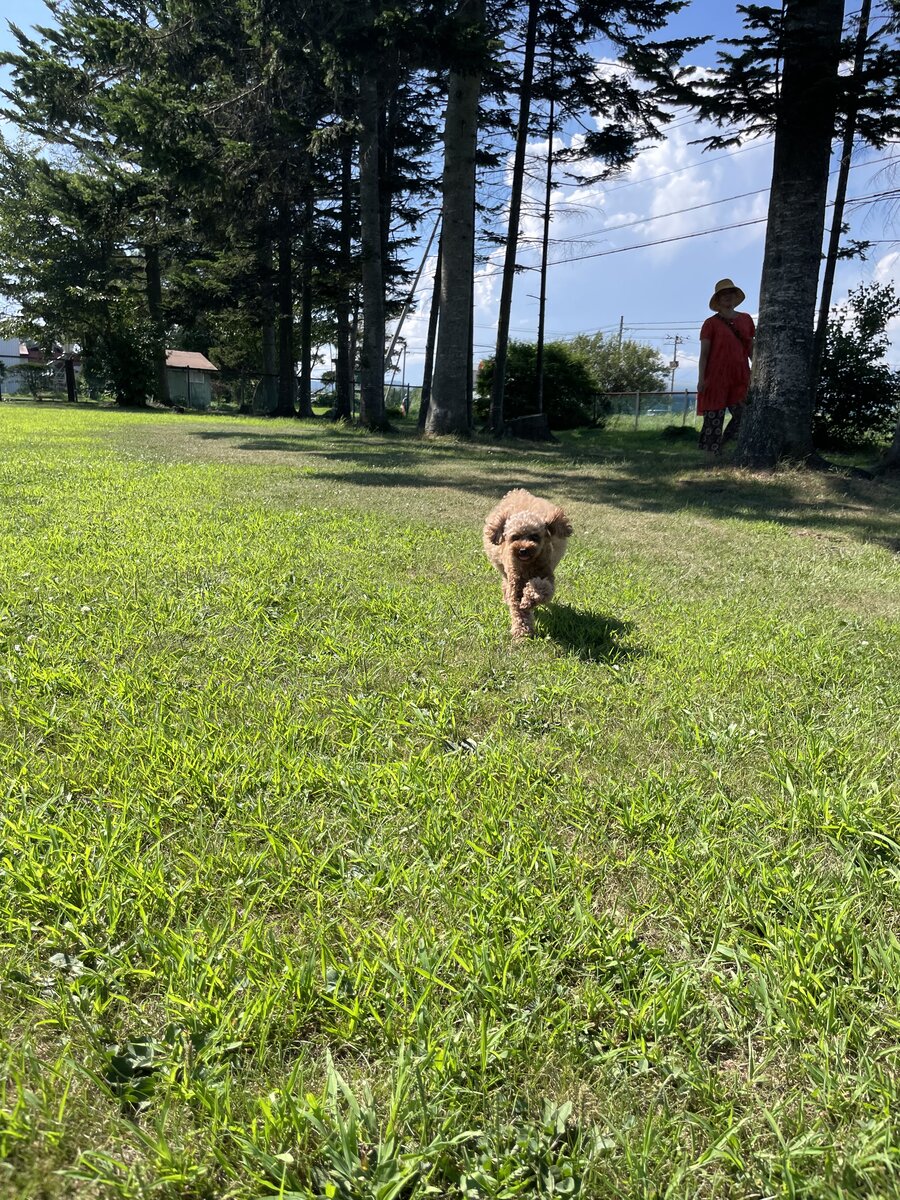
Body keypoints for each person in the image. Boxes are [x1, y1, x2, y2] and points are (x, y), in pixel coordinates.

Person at [696, 278, 755, 456]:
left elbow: (751, 348)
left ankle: (724, 445)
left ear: (736, 296)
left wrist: (756, 372)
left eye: (731, 293)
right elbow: (704, 354)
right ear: (718, 300)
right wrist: (701, 379)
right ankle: (711, 455)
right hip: (715, 377)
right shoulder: (710, 324)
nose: (728, 297)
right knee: (714, 417)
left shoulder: (746, 319)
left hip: (740, 376)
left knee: (744, 415)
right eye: (723, 294)